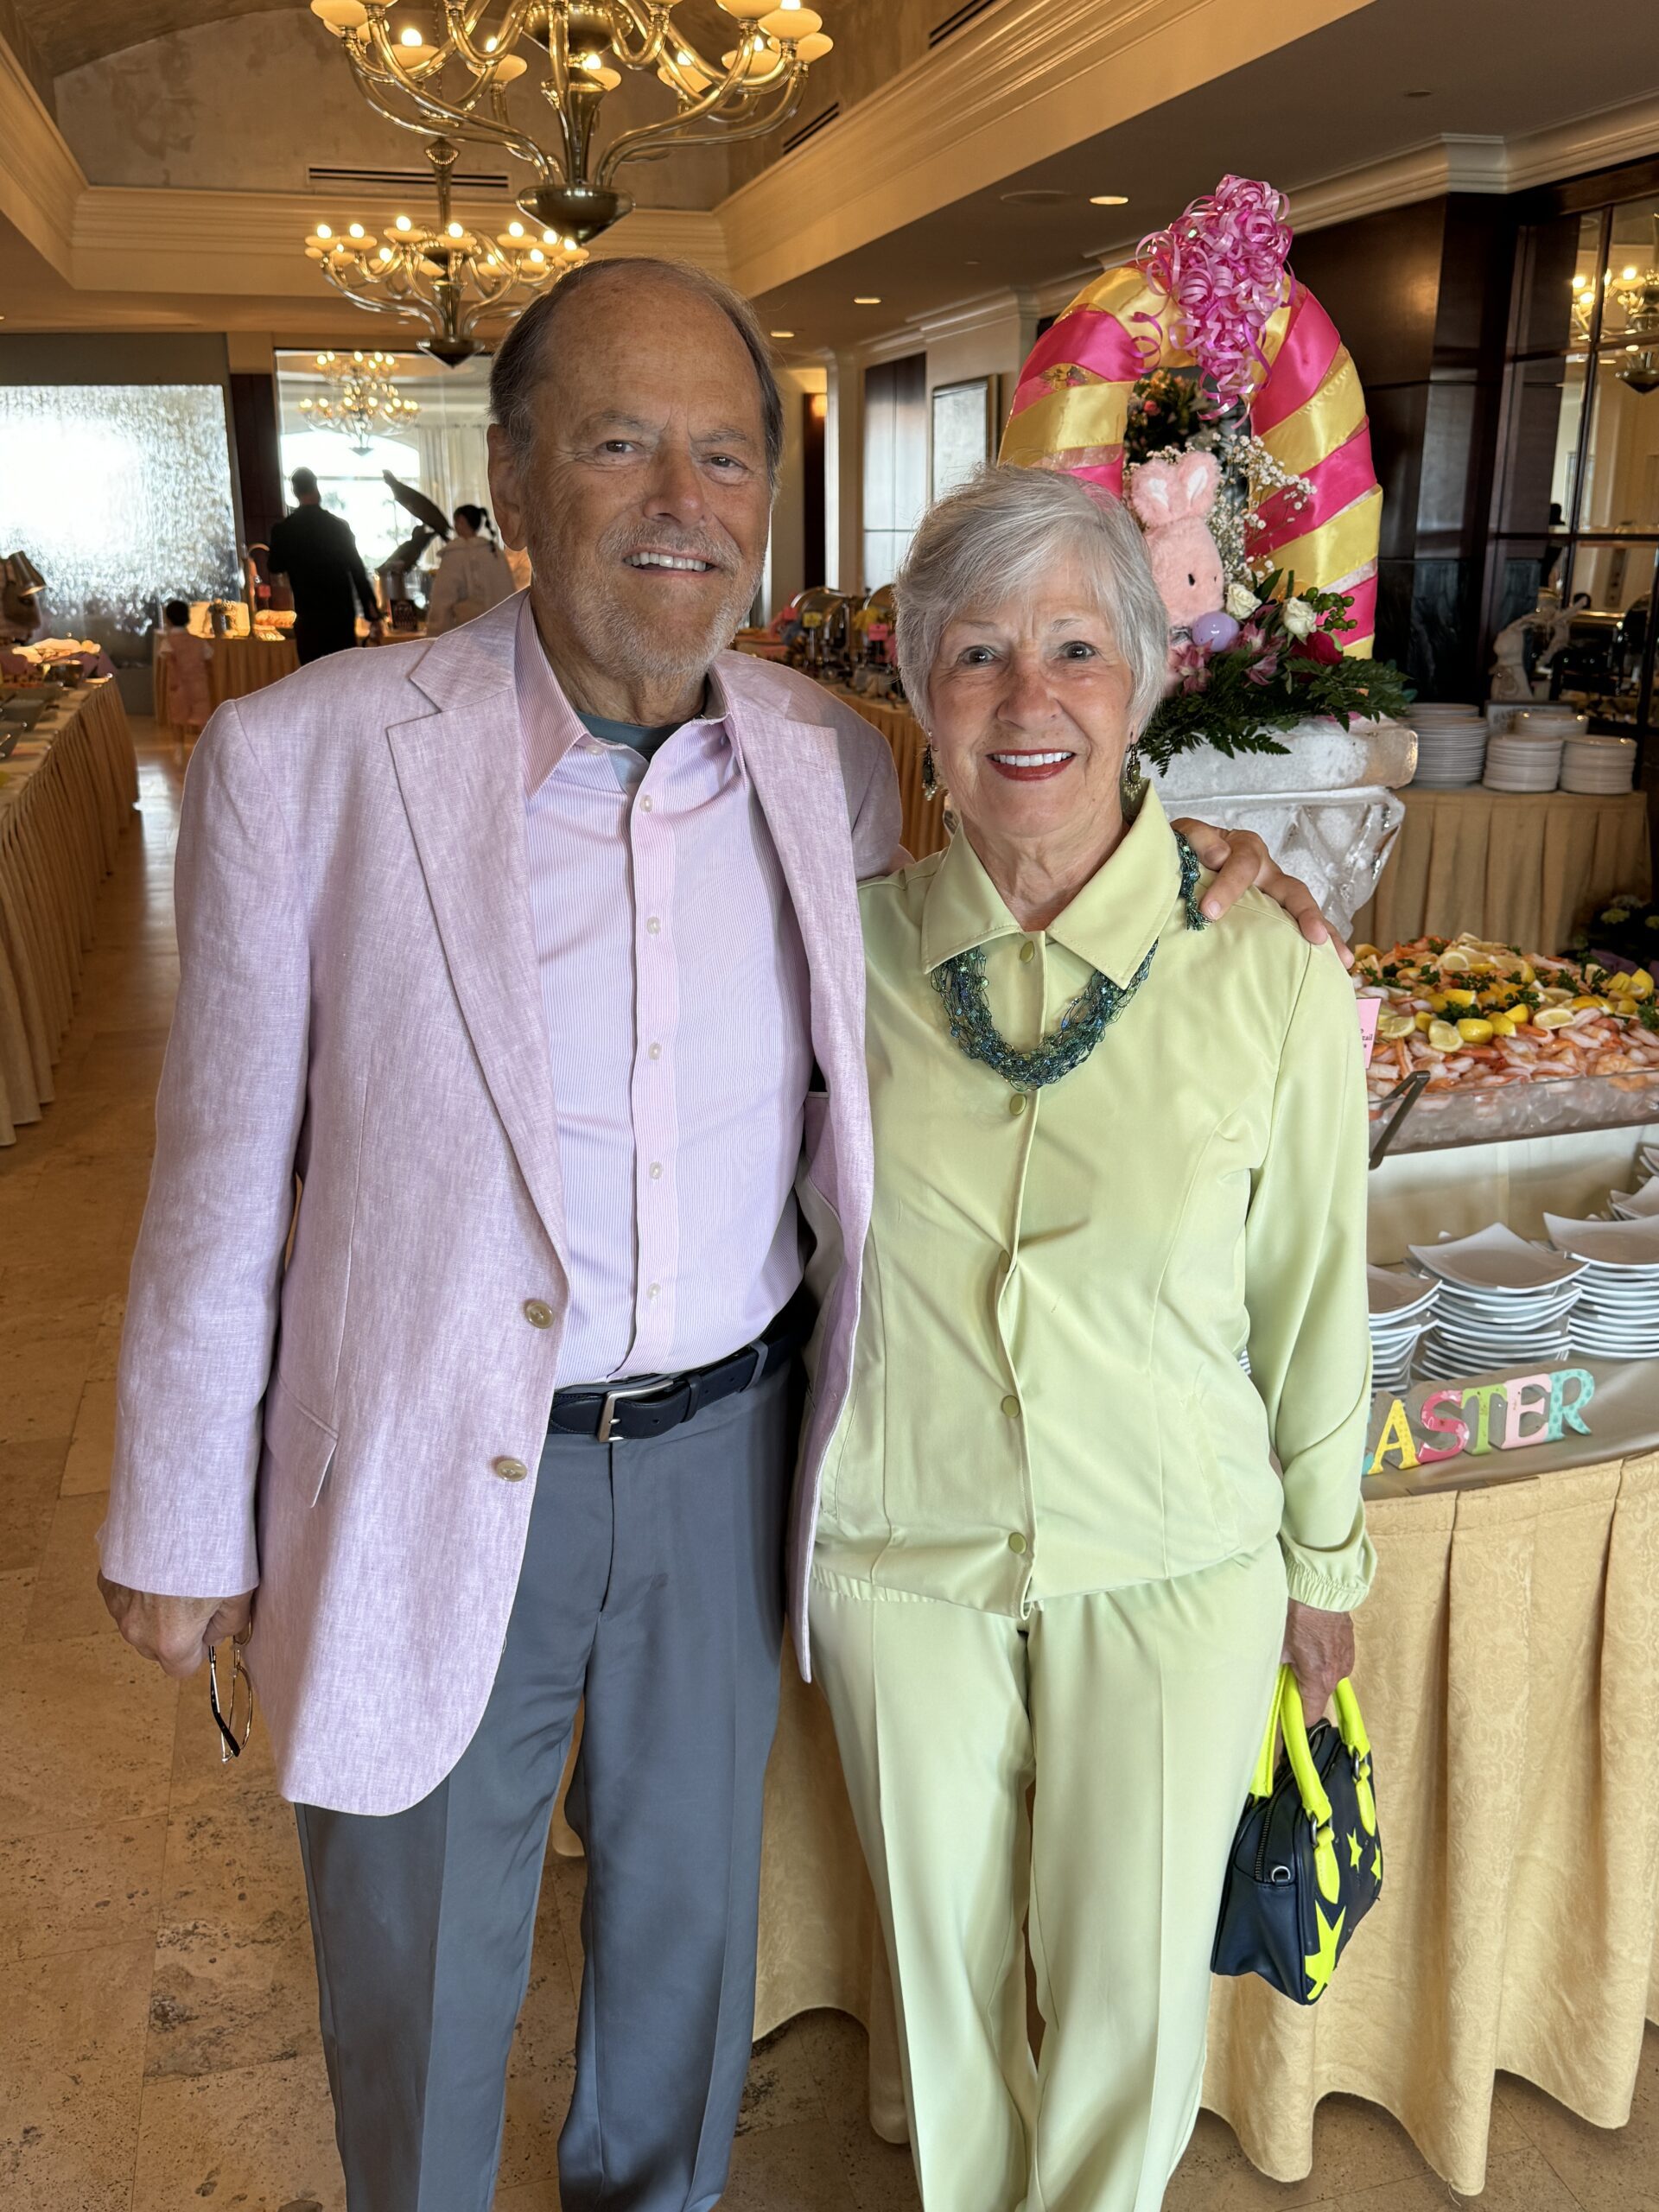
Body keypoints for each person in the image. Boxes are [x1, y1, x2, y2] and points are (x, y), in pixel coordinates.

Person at [95, 257, 1338, 2212]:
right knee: (424, 1961)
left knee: (685, 1952)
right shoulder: (310, 757)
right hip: (428, 1448)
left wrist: (1206, 860)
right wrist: (182, 1519)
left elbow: (1027, 851)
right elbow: (219, 1172)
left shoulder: (823, 760)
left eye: (727, 454)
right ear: (516, 477)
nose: (683, 499)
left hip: (726, 1458)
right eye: (620, 443)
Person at [806, 464, 1374, 2212]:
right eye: (976, 652)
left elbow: (1314, 1289)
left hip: (1175, 1556)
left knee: (1132, 1999)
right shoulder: (839, 956)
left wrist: (1323, 1560)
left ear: (1145, 680)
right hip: (902, 1550)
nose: (1027, 698)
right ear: (919, 692)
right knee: (945, 1987)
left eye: (1075, 648)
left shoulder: (1269, 967)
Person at [266, 467, 382, 663]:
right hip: (340, 619)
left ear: (295, 492)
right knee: (343, 673)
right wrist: (373, 615)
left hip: (309, 619)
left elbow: (274, 566)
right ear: (316, 488)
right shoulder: (338, 527)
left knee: (313, 676)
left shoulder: (284, 530)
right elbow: (357, 572)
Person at [425, 502, 517, 634]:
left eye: (456, 522)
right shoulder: (494, 552)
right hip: (503, 631)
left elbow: (443, 599)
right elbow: (508, 593)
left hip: (469, 635)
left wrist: (435, 633)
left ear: (461, 521)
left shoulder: (456, 554)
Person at [155, 598, 214, 736]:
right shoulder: (199, 641)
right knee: (202, 720)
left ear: (168, 620)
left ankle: (179, 748)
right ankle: (205, 745)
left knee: (179, 720)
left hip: (179, 686)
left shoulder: (168, 642)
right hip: (199, 686)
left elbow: (169, 662)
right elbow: (208, 660)